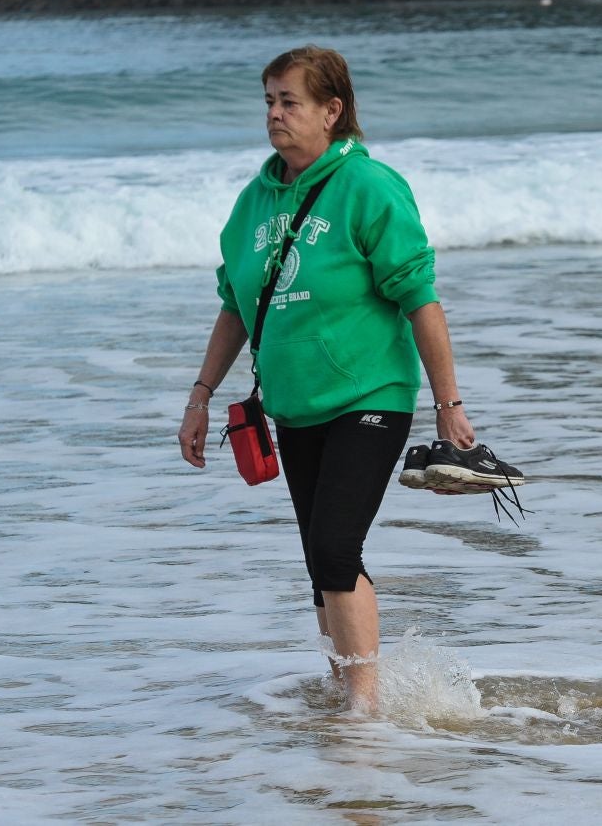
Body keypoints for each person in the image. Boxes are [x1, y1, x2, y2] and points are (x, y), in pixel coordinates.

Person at [178, 45, 478, 712]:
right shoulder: (253, 203)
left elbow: (420, 297)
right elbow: (234, 306)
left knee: (336, 548)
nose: (274, 114)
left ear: (331, 110)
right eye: (268, 101)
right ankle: (346, 692)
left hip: (368, 394)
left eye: (290, 102)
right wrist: (200, 396)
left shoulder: (368, 187)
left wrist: (447, 403)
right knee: (321, 560)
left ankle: (362, 712)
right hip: (295, 405)